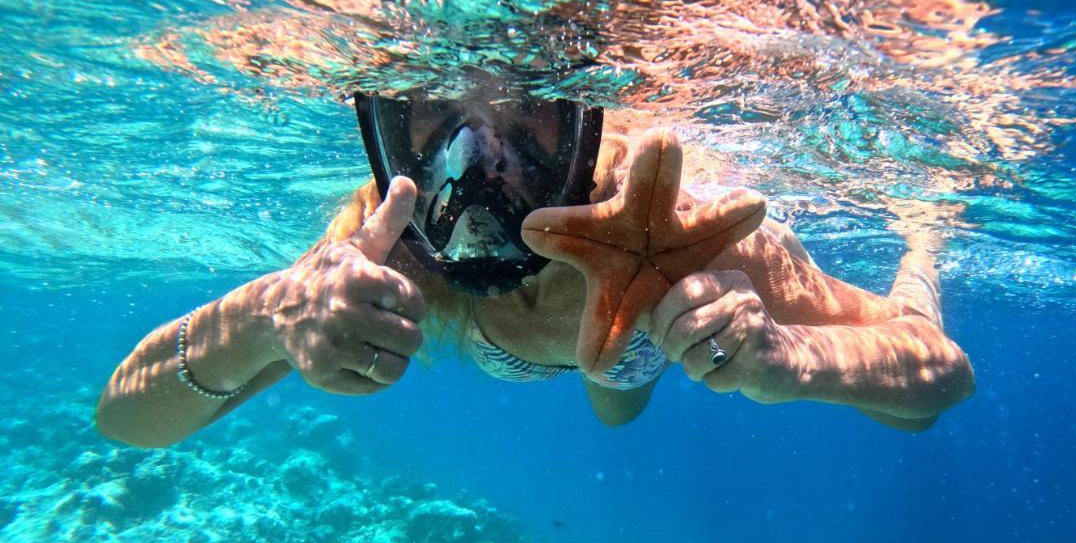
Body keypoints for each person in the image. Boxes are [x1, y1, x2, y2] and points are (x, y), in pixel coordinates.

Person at [96, 76, 974, 448]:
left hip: (644, 334)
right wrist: (264, 318)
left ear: (582, 123)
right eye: (435, 113)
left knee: (618, 403)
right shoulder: (382, 242)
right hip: (541, 351)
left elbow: (935, 385)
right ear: (392, 131)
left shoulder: (683, 226)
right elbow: (125, 418)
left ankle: (923, 242)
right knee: (610, 407)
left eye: (528, 116)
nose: (481, 158)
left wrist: (799, 364)